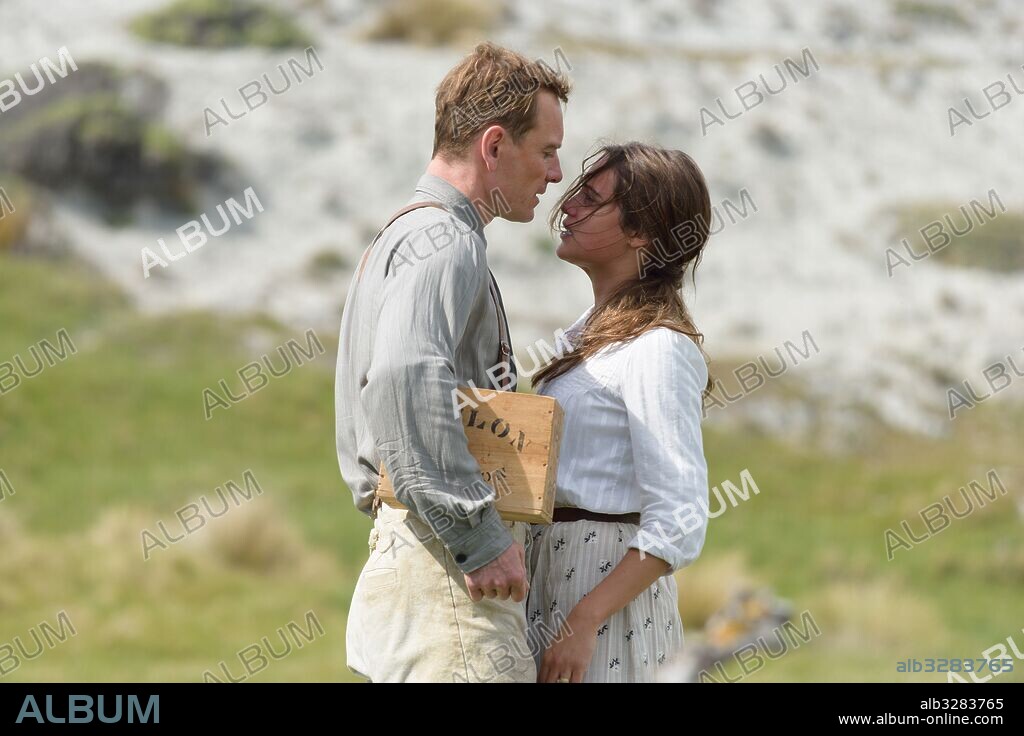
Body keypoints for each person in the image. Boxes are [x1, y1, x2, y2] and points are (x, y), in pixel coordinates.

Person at [335, 42, 570, 682]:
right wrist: (480, 539)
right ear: (494, 147)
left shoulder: (407, 233)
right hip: (450, 579)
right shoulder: (447, 241)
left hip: (419, 560)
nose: (555, 175)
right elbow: (404, 377)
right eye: (546, 151)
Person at [525, 142, 714, 683]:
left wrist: (584, 620)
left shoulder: (657, 347)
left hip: (602, 593)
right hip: (555, 579)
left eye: (591, 199)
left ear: (640, 233)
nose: (568, 207)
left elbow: (679, 519)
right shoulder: (594, 337)